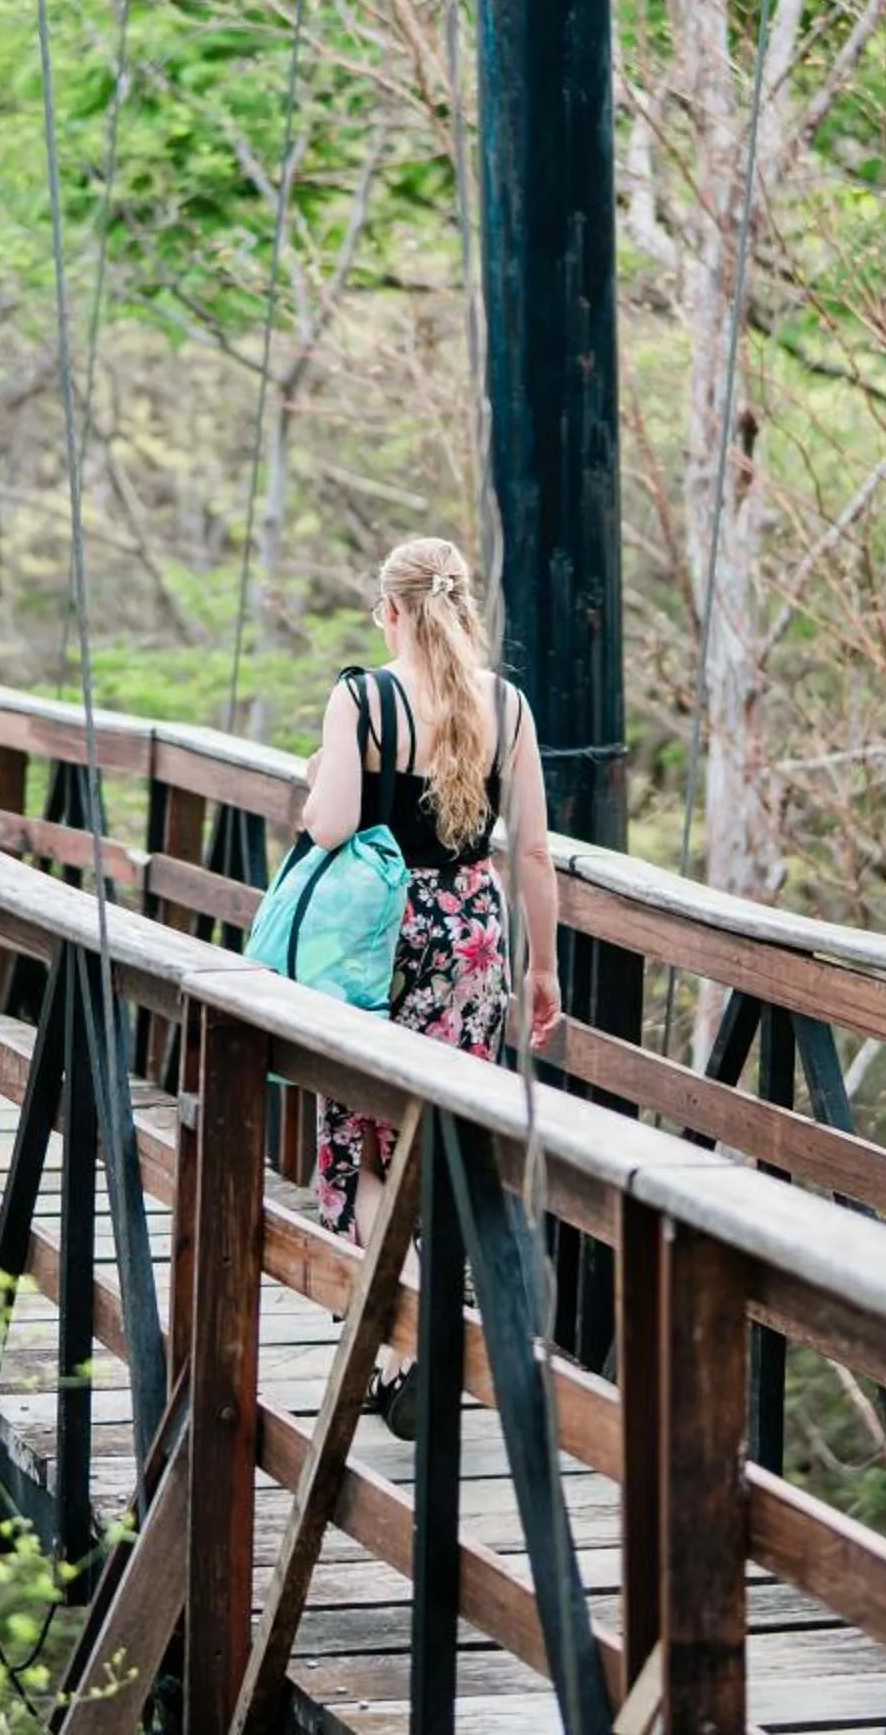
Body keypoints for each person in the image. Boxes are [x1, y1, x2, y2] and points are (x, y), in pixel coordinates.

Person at [296, 537, 563, 1417]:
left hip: (377, 936)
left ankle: (408, 1341)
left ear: (390, 610)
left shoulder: (362, 699)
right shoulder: (508, 706)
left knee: (363, 1139)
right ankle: (430, 1334)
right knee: (441, 1131)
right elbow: (532, 851)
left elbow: (331, 825)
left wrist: (315, 779)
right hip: (472, 938)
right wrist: (543, 966)